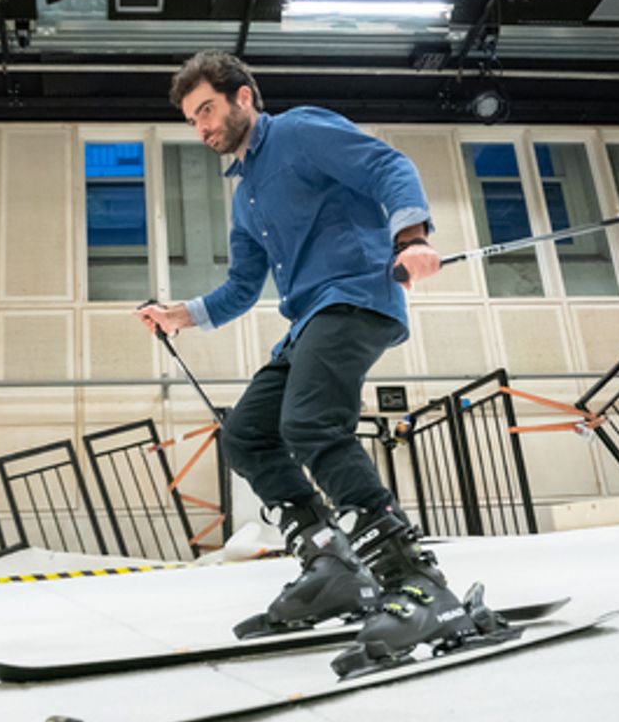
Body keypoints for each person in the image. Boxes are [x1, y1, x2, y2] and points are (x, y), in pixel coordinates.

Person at [136, 51, 492, 658]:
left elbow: (388, 165)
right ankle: (331, 567)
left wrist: (411, 239)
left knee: (309, 422)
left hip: (356, 296)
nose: (201, 129)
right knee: (247, 434)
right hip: (308, 321)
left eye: (207, 111)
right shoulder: (245, 196)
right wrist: (180, 315)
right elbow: (242, 288)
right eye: (192, 120)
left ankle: (418, 580)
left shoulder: (299, 131)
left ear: (243, 97)